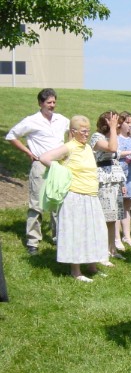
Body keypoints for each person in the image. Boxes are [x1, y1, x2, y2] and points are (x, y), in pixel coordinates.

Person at [39, 115, 108, 281]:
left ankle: (92, 265)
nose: (86, 134)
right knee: (76, 232)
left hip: (91, 195)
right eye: (83, 132)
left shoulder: (86, 147)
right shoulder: (69, 147)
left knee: (94, 231)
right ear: (73, 132)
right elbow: (44, 158)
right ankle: (76, 270)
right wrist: (61, 171)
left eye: (88, 131)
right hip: (75, 196)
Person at [5, 88, 70, 255]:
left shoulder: (61, 120)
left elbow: (72, 130)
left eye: (54, 102)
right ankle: (33, 241)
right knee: (37, 203)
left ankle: (59, 238)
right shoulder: (31, 120)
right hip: (40, 164)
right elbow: (11, 135)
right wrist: (28, 152)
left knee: (58, 202)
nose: (52, 105)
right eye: (49, 102)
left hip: (58, 165)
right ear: (40, 103)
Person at [90, 111, 126, 265]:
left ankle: (112, 249)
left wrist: (122, 183)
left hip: (114, 179)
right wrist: (113, 129)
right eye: (115, 122)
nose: (118, 125)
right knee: (104, 218)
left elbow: (116, 158)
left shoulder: (112, 136)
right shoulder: (96, 137)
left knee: (113, 218)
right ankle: (101, 251)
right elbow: (112, 148)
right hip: (103, 181)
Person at [115, 112, 131, 251]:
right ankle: (116, 238)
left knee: (127, 207)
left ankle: (127, 236)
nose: (130, 125)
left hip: (130, 173)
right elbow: (115, 153)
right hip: (120, 175)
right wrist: (129, 153)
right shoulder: (117, 138)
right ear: (121, 123)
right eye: (128, 123)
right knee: (118, 207)